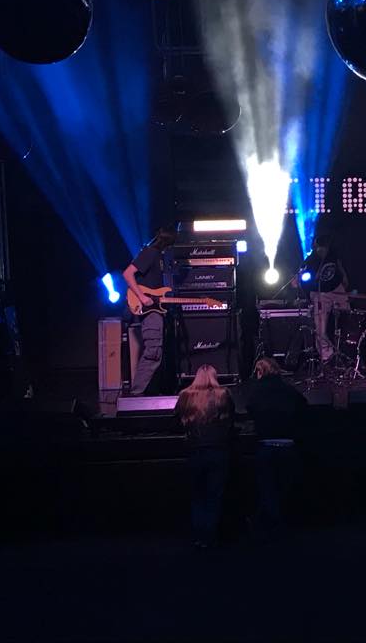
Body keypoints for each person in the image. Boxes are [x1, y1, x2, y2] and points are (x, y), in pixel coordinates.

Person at [237, 357, 308, 537]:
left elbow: (250, 408)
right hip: (288, 445)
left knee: (267, 488)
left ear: (260, 372)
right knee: (283, 488)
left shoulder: (257, 391)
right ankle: (275, 524)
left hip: (266, 444)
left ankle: (269, 525)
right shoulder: (288, 390)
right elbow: (303, 406)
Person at [174, 365, 235, 548]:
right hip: (218, 450)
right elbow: (231, 420)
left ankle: (199, 536)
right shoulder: (223, 394)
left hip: (195, 450)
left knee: (197, 495)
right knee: (214, 496)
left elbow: (175, 420)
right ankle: (210, 536)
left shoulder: (185, 395)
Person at [122, 226, 177, 395]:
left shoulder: (160, 257)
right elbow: (128, 273)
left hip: (157, 308)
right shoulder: (150, 252)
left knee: (158, 352)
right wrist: (141, 296)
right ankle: (136, 394)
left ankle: (152, 391)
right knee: (153, 351)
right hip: (149, 309)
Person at [297, 233, 350, 362]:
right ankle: (327, 356)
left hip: (337, 289)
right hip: (320, 293)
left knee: (348, 318)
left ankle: (347, 351)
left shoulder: (333, 254)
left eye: (324, 247)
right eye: (319, 248)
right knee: (320, 327)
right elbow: (301, 278)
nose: (321, 250)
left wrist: (344, 278)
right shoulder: (311, 260)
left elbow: (339, 266)